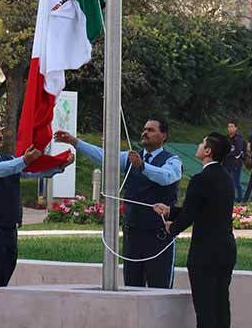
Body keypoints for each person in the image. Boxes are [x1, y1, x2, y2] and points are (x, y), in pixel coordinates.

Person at [0, 115, 74, 328]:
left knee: (3, 276)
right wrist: (24, 160)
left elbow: (30, 172)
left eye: (0, 131)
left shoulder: (5, 158)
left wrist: (59, 165)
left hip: (8, 227)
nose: (0, 136)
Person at [55, 117, 182, 288]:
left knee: (160, 286)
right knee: (131, 285)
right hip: (134, 232)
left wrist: (142, 166)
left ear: (164, 136)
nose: (145, 133)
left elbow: (166, 177)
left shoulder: (172, 161)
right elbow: (104, 156)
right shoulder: (129, 158)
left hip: (159, 235)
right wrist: (75, 142)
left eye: (151, 130)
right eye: (144, 129)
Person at [155, 132, 236, 328]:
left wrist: (171, 229)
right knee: (220, 299)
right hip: (226, 248)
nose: (199, 146)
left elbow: (191, 214)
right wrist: (170, 211)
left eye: (202, 143)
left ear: (208, 151)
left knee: (204, 300)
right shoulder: (227, 178)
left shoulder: (200, 179)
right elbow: (203, 209)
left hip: (205, 250)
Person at [224, 121, 246, 201]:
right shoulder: (226, 138)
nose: (230, 128)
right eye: (228, 127)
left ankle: (239, 199)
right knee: (226, 181)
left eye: (232, 126)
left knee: (236, 181)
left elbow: (238, 151)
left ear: (236, 128)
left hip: (236, 163)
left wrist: (227, 154)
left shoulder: (238, 138)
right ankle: (228, 198)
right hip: (226, 163)